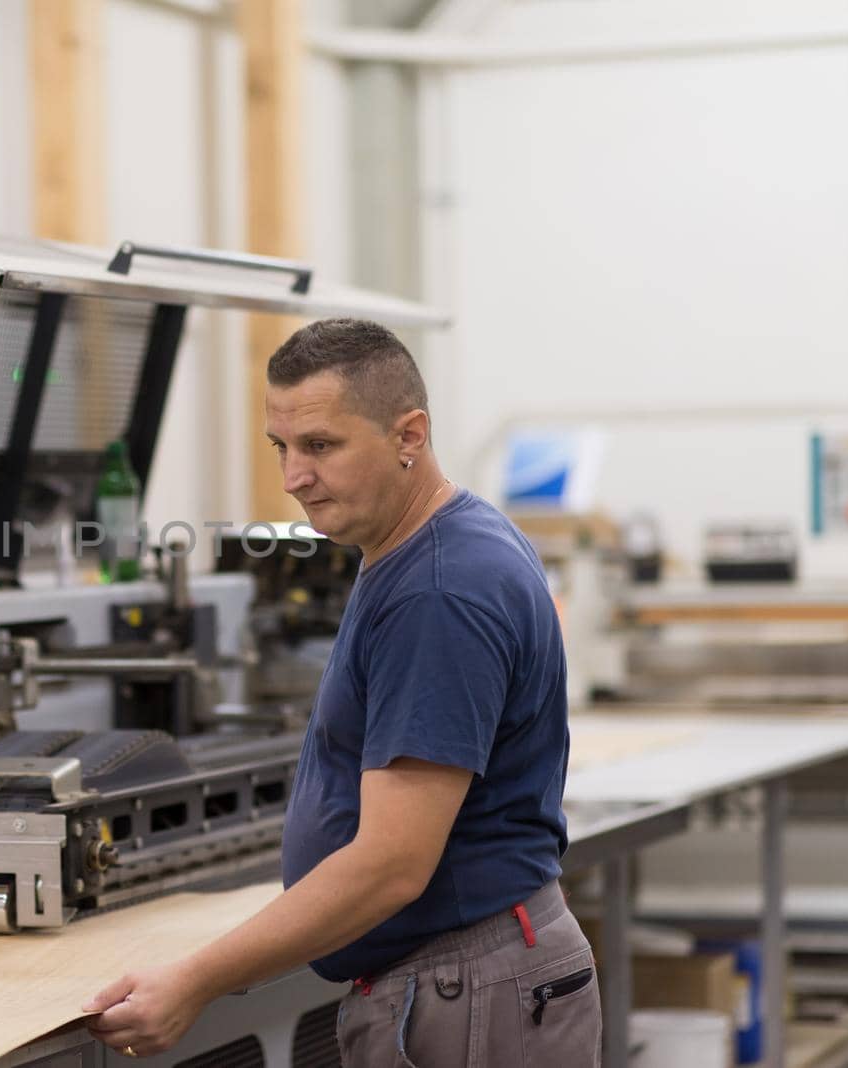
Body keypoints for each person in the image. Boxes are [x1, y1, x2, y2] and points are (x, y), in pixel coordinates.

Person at [82, 318, 599, 1066]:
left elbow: (392, 864)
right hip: (464, 974)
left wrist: (195, 981)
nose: (294, 477)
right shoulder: (422, 543)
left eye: (321, 446)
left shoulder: (439, 590)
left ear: (408, 435)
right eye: (281, 449)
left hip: (471, 991)